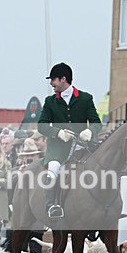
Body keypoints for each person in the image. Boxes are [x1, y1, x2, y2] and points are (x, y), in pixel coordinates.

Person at [38, 62, 102, 219]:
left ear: (63, 79)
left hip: (82, 146)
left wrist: (90, 131)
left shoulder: (86, 98)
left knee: (99, 167)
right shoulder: (50, 101)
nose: (51, 83)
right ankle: (51, 206)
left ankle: (101, 207)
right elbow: (41, 126)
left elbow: (96, 123)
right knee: (54, 168)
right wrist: (58, 133)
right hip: (58, 148)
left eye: (53, 79)